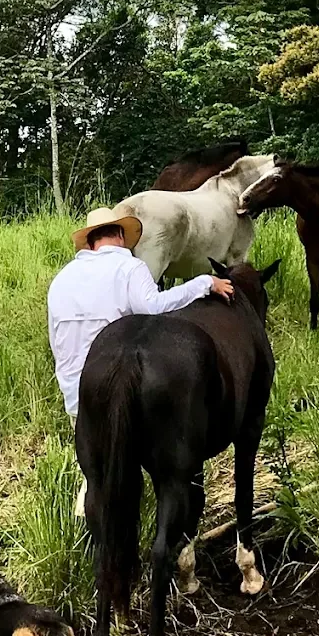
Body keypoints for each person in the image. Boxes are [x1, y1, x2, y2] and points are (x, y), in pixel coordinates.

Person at [48, 206, 234, 514]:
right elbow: (154, 307)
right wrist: (204, 283)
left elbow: (55, 338)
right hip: (116, 383)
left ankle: (89, 525)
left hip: (76, 388)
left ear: (91, 242)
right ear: (121, 236)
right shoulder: (129, 268)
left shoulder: (62, 278)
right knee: (121, 461)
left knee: (95, 467)